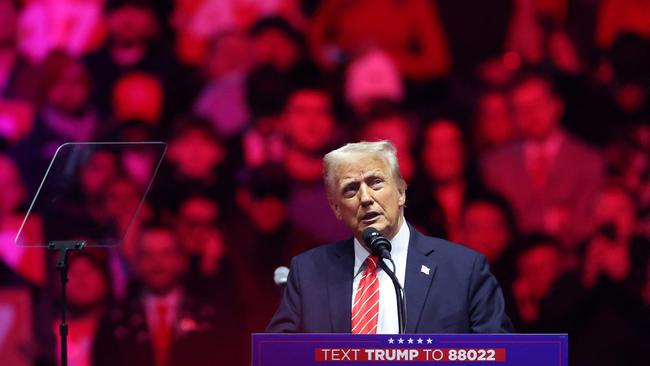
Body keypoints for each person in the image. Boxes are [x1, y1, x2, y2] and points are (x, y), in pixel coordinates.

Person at [266, 141, 513, 333]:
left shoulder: (463, 270)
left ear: (401, 192)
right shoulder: (309, 272)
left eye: (375, 183)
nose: (365, 198)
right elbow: (274, 357)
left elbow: (502, 356)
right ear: (336, 208)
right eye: (351, 189)